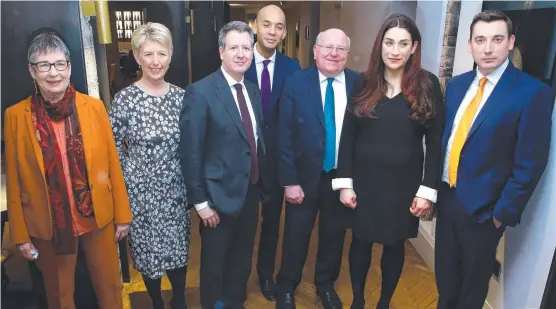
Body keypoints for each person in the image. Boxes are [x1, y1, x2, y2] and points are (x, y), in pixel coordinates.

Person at [4, 29, 132, 309]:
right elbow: (14, 179)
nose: (53, 73)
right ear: (32, 71)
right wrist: (20, 236)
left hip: (97, 217)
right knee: (59, 296)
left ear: (69, 67)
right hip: (48, 223)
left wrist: (123, 215)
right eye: (44, 65)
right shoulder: (15, 116)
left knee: (110, 288)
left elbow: (113, 163)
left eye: (60, 64)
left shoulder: (94, 107)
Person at [435, 10, 553, 309]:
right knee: (445, 281)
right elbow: (448, 141)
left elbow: (530, 162)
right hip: (447, 202)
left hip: (485, 214)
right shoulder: (458, 85)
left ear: (510, 42)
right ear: (470, 46)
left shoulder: (533, 93)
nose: (488, 48)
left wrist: (502, 214)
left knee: (471, 292)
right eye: (480, 40)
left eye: (497, 39)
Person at [333, 14, 444, 309]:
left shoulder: (427, 85)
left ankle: (384, 302)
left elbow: (435, 144)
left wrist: (427, 190)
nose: (395, 50)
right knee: (360, 244)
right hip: (365, 184)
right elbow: (347, 138)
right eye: (389, 42)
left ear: (413, 48)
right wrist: (345, 184)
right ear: (380, 44)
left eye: (403, 43)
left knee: (395, 247)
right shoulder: (363, 82)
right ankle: (358, 300)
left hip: (403, 187)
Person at [179, 21, 269, 309]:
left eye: (246, 47)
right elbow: (190, 152)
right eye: (234, 47)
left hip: (249, 191)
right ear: (221, 52)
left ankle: (234, 302)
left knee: (242, 259)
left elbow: (254, 140)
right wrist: (201, 203)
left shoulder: (252, 91)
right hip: (216, 199)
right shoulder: (201, 91)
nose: (241, 54)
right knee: (215, 264)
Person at [275, 28, 358, 309]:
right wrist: (289, 181)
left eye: (341, 49)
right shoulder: (296, 82)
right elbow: (283, 133)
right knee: (296, 237)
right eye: (328, 47)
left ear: (348, 54)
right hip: (303, 178)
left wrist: (354, 180)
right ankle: (286, 286)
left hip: (340, 179)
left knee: (334, 238)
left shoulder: (360, 84)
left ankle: (325, 286)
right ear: (315, 51)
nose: (334, 53)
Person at [109, 22, 190, 309]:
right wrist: (123, 187)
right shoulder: (124, 100)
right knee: (147, 254)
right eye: (149, 54)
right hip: (140, 195)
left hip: (175, 192)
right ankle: (156, 300)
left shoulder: (183, 98)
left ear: (170, 55)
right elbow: (113, 148)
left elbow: (193, 146)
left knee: (178, 251)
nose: (156, 61)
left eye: (162, 53)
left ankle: (179, 298)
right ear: (137, 56)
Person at [244, 4, 301, 301]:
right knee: (242, 224)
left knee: (271, 225)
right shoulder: (239, 61)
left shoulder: (293, 69)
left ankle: (266, 275)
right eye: (267, 24)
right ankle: (236, 279)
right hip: (243, 162)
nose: (273, 32)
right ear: (255, 25)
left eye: (279, 26)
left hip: (278, 162)